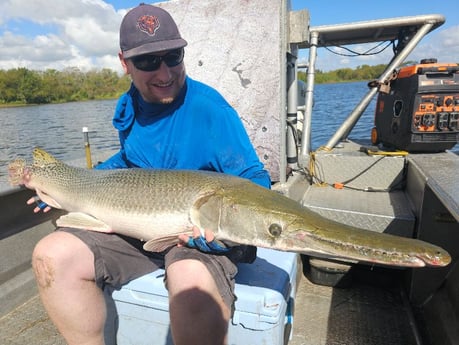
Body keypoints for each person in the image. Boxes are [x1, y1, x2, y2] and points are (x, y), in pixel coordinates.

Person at [30, 4, 270, 345]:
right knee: (50, 255)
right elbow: (129, 159)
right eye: (147, 61)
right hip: (138, 233)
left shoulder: (211, 110)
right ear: (124, 63)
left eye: (173, 56)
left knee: (189, 278)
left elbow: (254, 180)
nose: (164, 73)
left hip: (194, 237)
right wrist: (61, 185)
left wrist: (220, 232)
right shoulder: (131, 105)